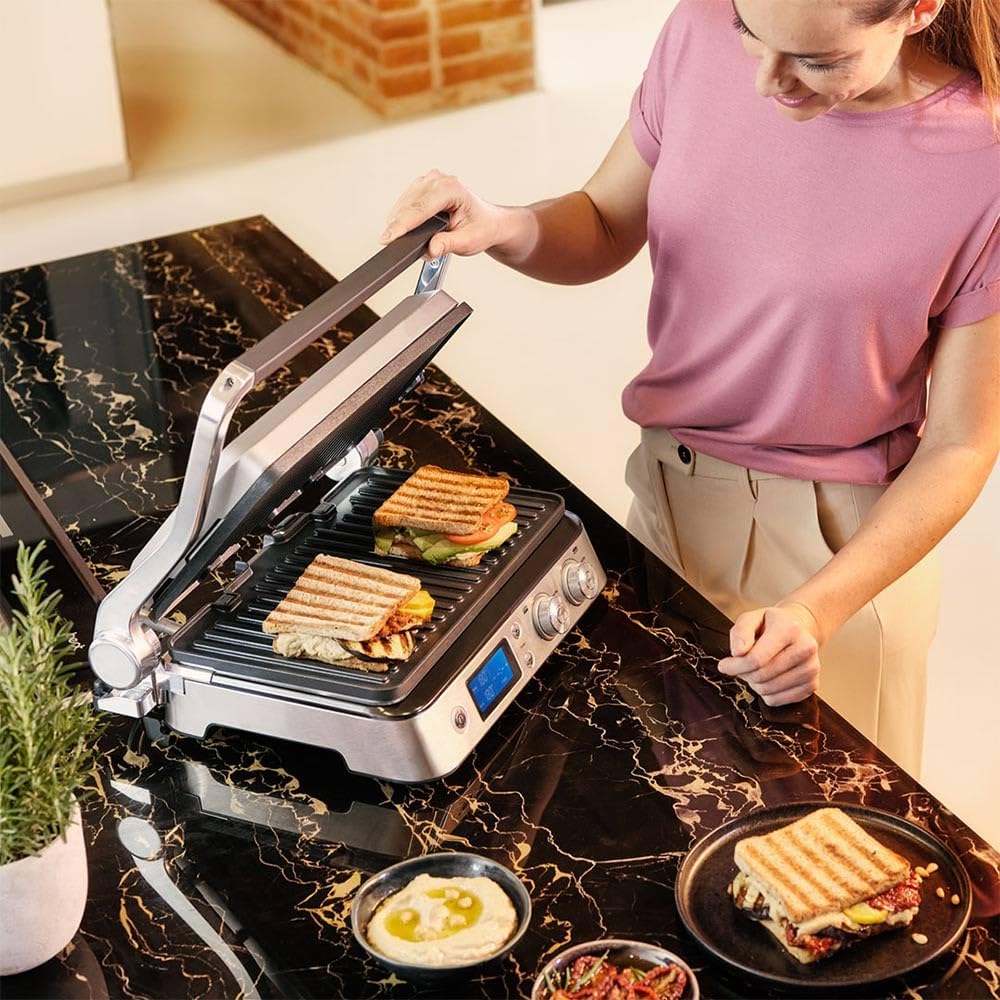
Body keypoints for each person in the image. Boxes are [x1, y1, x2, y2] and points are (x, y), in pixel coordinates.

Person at [380, 0, 1000, 777]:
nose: (769, 82)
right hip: (665, 503)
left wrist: (819, 608)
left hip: (835, 559)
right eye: (752, 37)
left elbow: (961, 445)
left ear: (918, 12)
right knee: (668, 813)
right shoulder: (699, 29)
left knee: (836, 855)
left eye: (819, 62)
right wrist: (499, 223)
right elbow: (604, 221)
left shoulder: (984, 160)